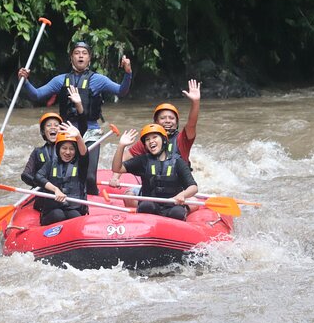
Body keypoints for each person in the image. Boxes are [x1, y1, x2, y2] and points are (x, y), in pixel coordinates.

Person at [18, 40, 132, 195]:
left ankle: (92, 201)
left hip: (90, 131)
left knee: (89, 177)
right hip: (67, 132)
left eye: (84, 53)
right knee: (63, 174)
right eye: (77, 53)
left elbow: (121, 91)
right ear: (71, 57)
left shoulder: (98, 80)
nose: (80, 56)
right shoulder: (61, 80)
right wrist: (25, 81)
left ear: (89, 59)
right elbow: (37, 95)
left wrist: (128, 73)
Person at [112, 124, 197, 220]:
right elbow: (117, 168)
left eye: (155, 137)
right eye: (147, 139)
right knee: (146, 206)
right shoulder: (142, 161)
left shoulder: (178, 161)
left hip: (172, 205)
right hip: (150, 203)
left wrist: (182, 195)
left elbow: (193, 187)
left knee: (177, 212)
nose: (151, 141)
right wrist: (121, 146)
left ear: (164, 140)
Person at [34, 123, 89, 226]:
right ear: (58, 149)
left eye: (71, 149)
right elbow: (38, 177)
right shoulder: (50, 164)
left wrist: (78, 137)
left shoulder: (81, 165)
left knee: (75, 216)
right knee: (58, 215)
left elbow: (84, 154)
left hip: (73, 208)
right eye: (64, 148)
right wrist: (55, 189)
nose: (68, 152)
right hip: (53, 210)